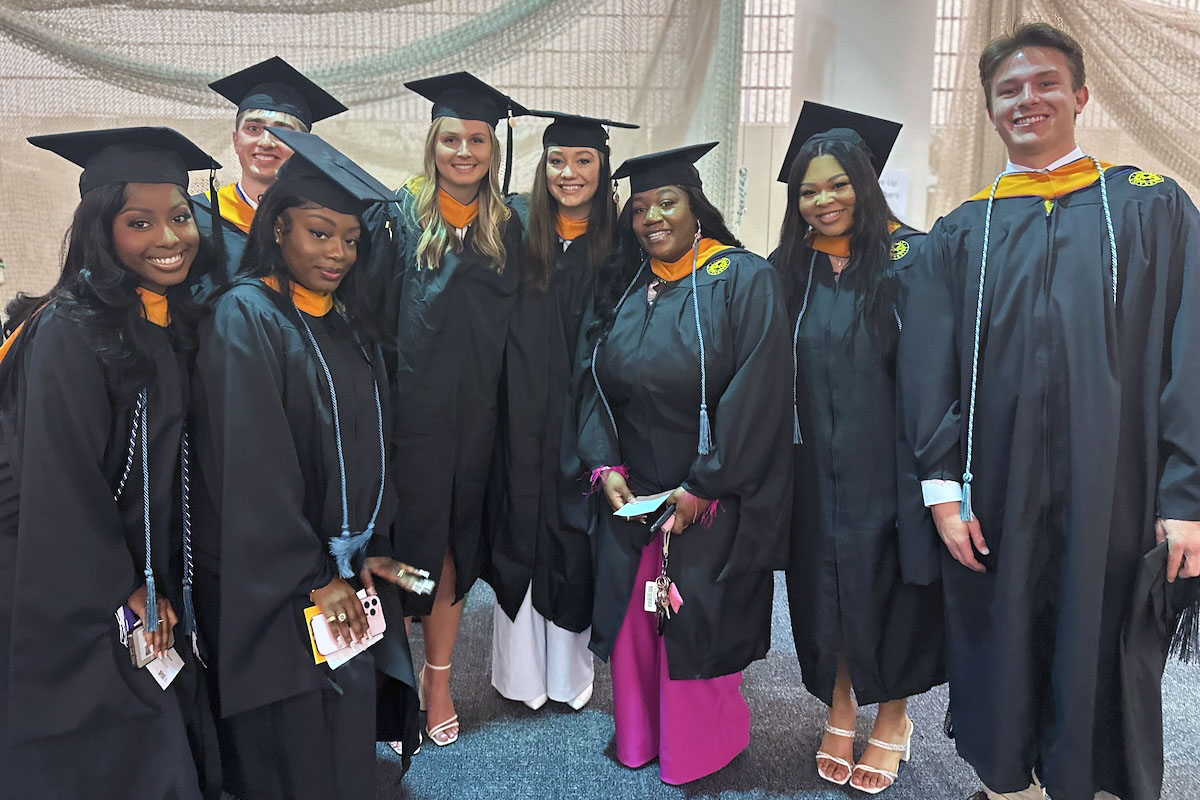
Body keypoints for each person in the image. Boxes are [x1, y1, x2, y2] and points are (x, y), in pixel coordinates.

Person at [897, 22, 1200, 800]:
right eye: (1009, 90)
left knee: (1103, 633)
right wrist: (939, 489)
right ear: (991, 108)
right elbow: (928, 369)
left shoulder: (1149, 207)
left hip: (1118, 484)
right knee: (1001, 629)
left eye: (1045, 84)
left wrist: (1185, 497)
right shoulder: (964, 232)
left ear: (1080, 95)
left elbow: (1190, 356)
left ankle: (1088, 781)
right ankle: (1008, 783)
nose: (1027, 99)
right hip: (993, 486)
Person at [190, 129, 422, 798]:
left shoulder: (343, 318)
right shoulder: (245, 316)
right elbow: (252, 467)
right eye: (320, 233)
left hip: (344, 569)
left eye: (350, 239)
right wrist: (316, 577)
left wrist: (375, 547)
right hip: (287, 581)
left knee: (341, 730)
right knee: (292, 746)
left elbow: (374, 440)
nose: (338, 254)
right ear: (279, 224)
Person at [0, 127, 220, 798]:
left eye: (180, 216)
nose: (170, 236)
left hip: (139, 557)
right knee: (101, 725)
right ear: (103, 228)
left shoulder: (156, 316)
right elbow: (60, 480)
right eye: (140, 221)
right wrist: (126, 586)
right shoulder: (68, 330)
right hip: (68, 566)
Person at [578, 142, 792, 784]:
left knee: (693, 623)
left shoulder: (743, 279)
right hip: (633, 491)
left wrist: (704, 486)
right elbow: (589, 381)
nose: (651, 218)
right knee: (634, 622)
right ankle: (640, 739)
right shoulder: (626, 287)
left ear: (694, 207)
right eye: (639, 208)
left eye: (665, 202)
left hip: (709, 496)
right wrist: (603, 466)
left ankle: (700, 748)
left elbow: (760, 391)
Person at [772, 102, 945, 795]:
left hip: (896, 463)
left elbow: (947, 369)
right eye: (810, 189)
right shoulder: (788, 269)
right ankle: (841, 706)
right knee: (827, 587)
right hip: (815, 465)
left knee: (896, 590)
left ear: (867, 183)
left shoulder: (918, 257)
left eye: (839, 184)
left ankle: (893, 716)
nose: (823, 200)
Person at [360, 71, 528, 748]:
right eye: (452, 137)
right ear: (433, 141)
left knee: (454, 550)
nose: (464, 151)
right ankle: (386, 679)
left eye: (478, 139)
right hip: (404, 420)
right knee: (399, 550)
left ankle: (437, 679)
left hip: (476, 421)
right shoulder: (397, 216)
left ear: (493, 147)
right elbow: (368, 323)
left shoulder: (507, 226)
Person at [484, 111, 636, 713]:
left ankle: (569, 677)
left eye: (582, 161)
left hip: (584, 411)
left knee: (575, 528)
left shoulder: (621, 243)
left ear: (602, 169)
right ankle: (519, 674)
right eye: (556, 161)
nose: (567, 173)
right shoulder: (517, 228)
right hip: (518, 409)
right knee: (518, 518)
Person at [192, 56, 347, 293]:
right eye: (253, 129)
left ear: (305, 146)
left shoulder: (328, 219)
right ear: (236, 140)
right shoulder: (198, 215)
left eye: (282, 132)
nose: (266, 142)